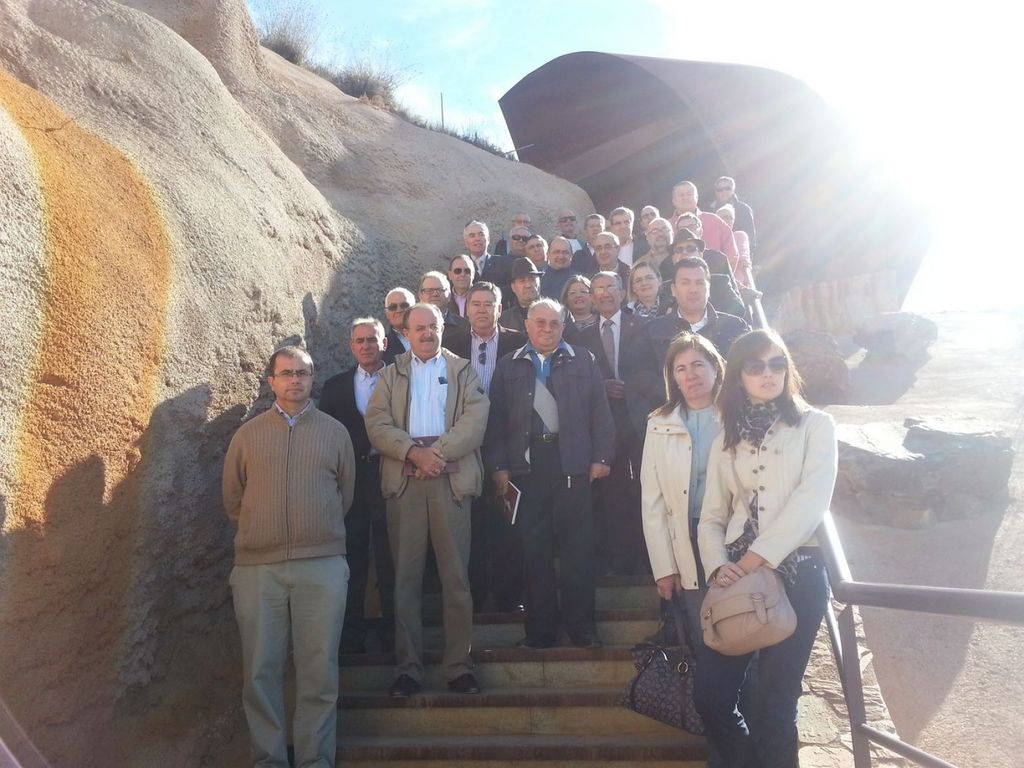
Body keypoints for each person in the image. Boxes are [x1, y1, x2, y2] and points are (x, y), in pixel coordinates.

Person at [695, 328, 838, 768]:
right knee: (711, 696)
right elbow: (712, 516)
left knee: (776, 703)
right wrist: (718, 565)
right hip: (737, 577)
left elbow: (812, 500)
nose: (768, 373)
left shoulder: (816, 425)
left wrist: (756, 558)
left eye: (777, 364)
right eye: (755, 366)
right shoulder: (726, 436)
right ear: (739, 375)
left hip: (798, 572)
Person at [223, 345, 356, 768]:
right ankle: (269, 760)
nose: (295, 380)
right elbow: (233, 498)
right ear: (271, 381)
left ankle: (316, 760)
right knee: (260, 673)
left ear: (313, 378)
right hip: (258, 570)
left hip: (322, 567)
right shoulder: (247, 435)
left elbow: (345, 494)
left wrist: (314, 530)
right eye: (286, 373)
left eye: (303, 372)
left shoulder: (335, 432)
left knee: (319, 672)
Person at [364, 303, 489, 698]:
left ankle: (459, 667)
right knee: (405, 580)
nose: (426, 333)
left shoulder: (463, 370)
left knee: (456, 579)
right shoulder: (390, 374)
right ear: (405, 332)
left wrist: (437, 454)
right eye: (418, 328)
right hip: (405, 483)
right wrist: (413, 453)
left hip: (451, 482)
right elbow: (376, 423)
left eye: (432, 326)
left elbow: (475, 420)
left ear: (442, 328)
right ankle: (408, 669)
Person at [484, 299, 614, 648]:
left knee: (577, 550)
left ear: (563, 326)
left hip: (572, 462)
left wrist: (602, 456)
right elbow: (495, 421)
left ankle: (582, 629)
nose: (546, 329)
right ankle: (540, 632)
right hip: (526, 467)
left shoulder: (583, 359)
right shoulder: (508, 365)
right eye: (539, 322)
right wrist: (499, 467)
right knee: (534, 551)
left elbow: (600, 411)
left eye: (554, 323)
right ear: (527, 325)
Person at [443, 282, 526, 611]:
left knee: (508, 520)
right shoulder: (450, 344)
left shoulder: (518, 342)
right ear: (466, 309)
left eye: (488, 303)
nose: (481, 309)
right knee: (471, 522)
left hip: (508, 439)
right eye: (475, 303)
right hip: (465, 443)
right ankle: (475, 597)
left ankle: (509, 597)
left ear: (499, 308)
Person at [641, 332, 725, 644]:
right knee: (701, 636)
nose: (691, 375)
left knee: (742, 627)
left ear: (715, 368)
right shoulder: (659, 423)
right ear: (673, 378)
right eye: (681, 368)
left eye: (698, 365)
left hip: (733, 537)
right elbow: (653, 501)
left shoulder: (737, 417)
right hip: (686, 539)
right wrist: (663, 567)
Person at [319, 319, 397, 656]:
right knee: (352, 556)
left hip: (391, 475)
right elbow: (325, 438)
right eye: (360, 341)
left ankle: (393, 633)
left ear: (384, 344)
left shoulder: (402, 379)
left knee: (392, 556)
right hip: (351, 481)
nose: (366, 346)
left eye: (372, 340)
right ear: (351, 346)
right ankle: (351, 636)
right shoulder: (335, 387)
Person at [578, 272, 662, 576]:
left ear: (622, 292)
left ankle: (651, 557)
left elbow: (658, 372)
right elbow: (580, 381)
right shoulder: (583, 336)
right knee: (613, 495)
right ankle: (621, 560)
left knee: (648, 490)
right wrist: (602, 386)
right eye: (598, 288)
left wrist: (632, 387)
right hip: (605, 427)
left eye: (611, 287)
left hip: (641, 422)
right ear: (591, 296)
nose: (605, 293)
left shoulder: (645, 327)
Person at [646, 256, 749, 363]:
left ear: (709, 288)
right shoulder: (653, 330)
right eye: (685, 283)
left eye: (699, 282)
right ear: (673, 289)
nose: (693, 290)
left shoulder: (735, 327)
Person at [670, 180, 738, 269]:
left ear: (697, 197)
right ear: (673, 200)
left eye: (689, 194)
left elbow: (732, 254)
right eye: (681, 195)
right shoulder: (666, 227)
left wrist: (720, 274)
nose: (685, 197)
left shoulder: (715, 221)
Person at [463, 220, 512, 306]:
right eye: (472, 235)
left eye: (481, 234)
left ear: (488, 239)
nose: (477, 239)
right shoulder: (461, 267)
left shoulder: (504, 263)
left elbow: (512, 289)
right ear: (466, 243)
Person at [710, 175, 756, 255]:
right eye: (720, 189)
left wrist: (747, 256)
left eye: (727, 188)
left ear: (733, 190)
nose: (724, 192)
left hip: (738, 254)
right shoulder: (710, 210)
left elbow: (750, 236)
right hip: (715, 255)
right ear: (716, 192)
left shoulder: (743, 209)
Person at [499, 257, 543, 333]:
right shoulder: (503, 320)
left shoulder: (554, 313)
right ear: (513, 287)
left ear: (539, 283)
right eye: (522, 281)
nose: (528, 285)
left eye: (532, 279)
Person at [716, 204, 753, 288]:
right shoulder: (712, 241)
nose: (728, 220)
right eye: (725, 217)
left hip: (737, 285)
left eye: (731, 218)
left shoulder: (739, 236)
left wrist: (750, 284)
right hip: (718, 284)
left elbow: (744, 262)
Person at [382, 287, 414, 365]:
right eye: (393, 307)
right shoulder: (382, 347)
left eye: (404, 305)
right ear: (386, 313)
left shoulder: (429, 336)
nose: (399, 310)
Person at [540, 235, 576, 300]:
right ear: (548, 254)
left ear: (571, 255)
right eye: (556, 252)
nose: (561, 256)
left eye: (565, 252)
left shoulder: (578, 280)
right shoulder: (538, 279)